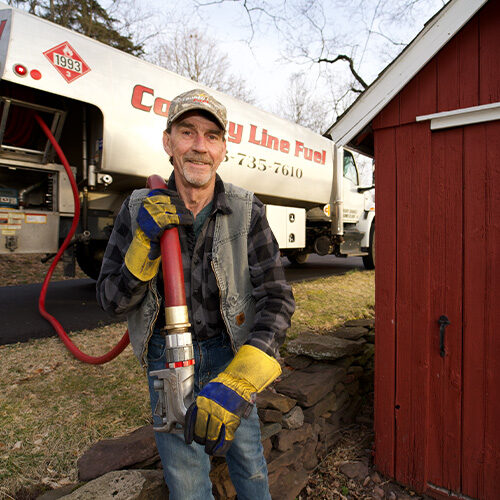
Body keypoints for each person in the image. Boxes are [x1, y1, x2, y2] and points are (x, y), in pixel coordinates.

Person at [97, 88, 295, 499]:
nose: (199, 147)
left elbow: (277, 298)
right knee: (188, 488)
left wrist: (239, 382)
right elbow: (111, 301)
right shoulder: (137, 209)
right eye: (187, 132)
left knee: (253, 472)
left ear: (223, 149)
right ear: (168, 142)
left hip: (230, 355)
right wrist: (143, 245)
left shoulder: (246, 209)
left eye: (211, 136)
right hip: (166, 362)